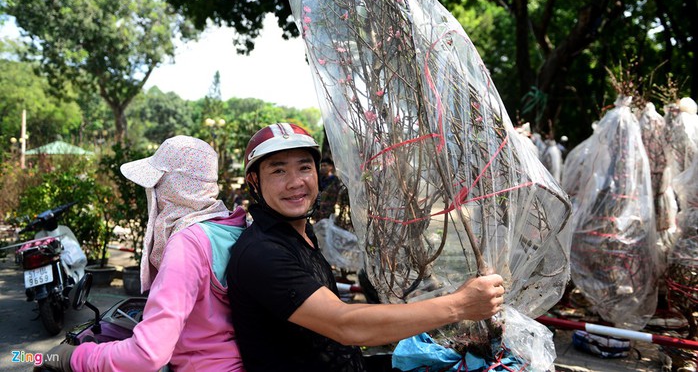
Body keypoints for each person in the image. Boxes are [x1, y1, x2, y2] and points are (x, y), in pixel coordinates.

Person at [226, 123, 504, 372]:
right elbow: (345, 324)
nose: (296, 182)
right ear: (254, 182)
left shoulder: (299, 233)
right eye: (278, 170)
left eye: (304, 167)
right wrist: (459, 305)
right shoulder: (262, 253)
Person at [40, 136, 247, 372]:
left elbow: (148, 355)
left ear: (171, 189)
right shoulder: (233, 226)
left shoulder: (187, 244)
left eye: (155, 186)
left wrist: (74, 356)